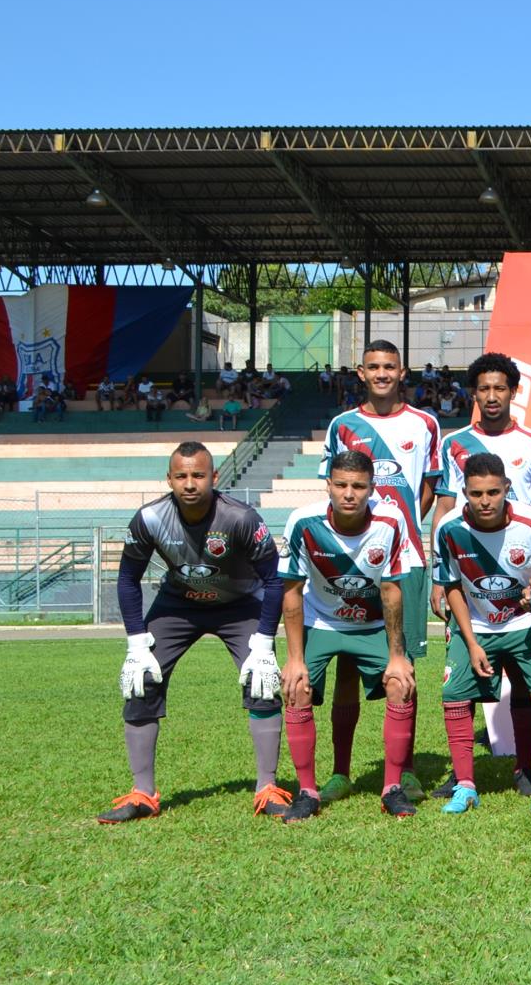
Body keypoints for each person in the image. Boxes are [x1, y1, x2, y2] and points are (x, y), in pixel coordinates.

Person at [98, 442, 286, 823]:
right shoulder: (149, 518)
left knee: (262, 682)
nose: (189, 484)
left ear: (214, 478)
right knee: (141, 680)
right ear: (168, 479)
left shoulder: (241, 518)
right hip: (178, 605)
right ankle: (143, 793)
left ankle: (267, 787)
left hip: (240, 604)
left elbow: (274, 580)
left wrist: (264, 642)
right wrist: (136, 642)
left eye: (198, 475)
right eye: (181, 476)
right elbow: (127, 579)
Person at [316, 340, 440, 803]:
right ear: (361, 372)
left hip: (403, 558)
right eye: (374, 367)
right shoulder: (342, 425)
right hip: (350, 557)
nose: (382, 373)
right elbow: (332, 488)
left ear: (402, 371)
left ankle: (404, 771)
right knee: (347, 662)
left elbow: (431, 487)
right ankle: (341, 771)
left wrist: (401, 527)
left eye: (390, 366)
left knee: (403, 662)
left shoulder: (425, 423)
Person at [276, 451, 415, 821]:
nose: (349, 494)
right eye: (341, 485)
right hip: (320, 622)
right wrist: (294, 659)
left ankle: (392, 788)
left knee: (401, 683)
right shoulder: (303, 521)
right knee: (296, 687)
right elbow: (291, 591)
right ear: (329, 486)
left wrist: (398, 654)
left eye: (358, 486)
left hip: (370, 625)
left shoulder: (390, 520)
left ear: (372, 489)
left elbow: (392, 590)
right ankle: (307, 791)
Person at [431, 453, 531, 815]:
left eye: (493, 492)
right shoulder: (449, 528)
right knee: (454, 697)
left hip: (526, 624)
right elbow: (452, 584)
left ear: (507, 488)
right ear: (464, 492)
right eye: (476, 494)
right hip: (476, 626)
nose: (485, 501)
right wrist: (471, 641)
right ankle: (466, 785)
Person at [430, 352, 531, 532]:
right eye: (484, 389)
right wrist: (437, 558)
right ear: (474, 394)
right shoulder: (452, 443)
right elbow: (444, 508)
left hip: (520, 552)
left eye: (499, 388)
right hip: (469, 549)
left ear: (512, 392)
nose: (491, 397)